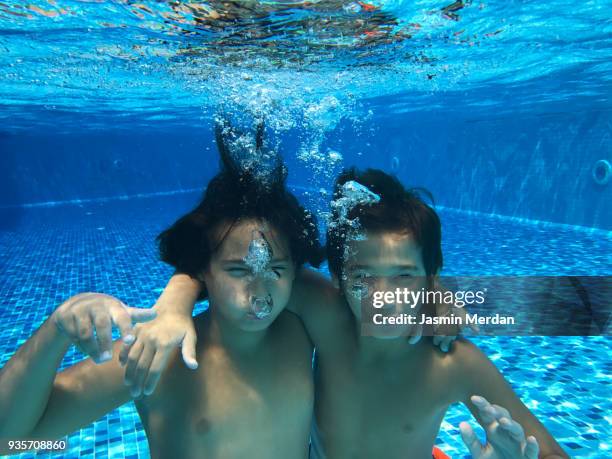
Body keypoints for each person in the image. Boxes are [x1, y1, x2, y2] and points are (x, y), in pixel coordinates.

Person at [130, 168, 569, 458]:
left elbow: (549, 450)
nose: (382, 298)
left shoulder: (453, 363)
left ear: (433, 277)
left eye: (404, 277)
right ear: (338, 279)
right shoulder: (329, 315)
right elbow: (232, 267)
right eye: (363, 276)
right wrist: (175, 303)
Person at [0, 119, 323, 458]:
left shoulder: (303, 330)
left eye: (275, 269)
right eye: (239, 270)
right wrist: (57, 329)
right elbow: (8, 440)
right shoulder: (158, 354)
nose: (259, 292)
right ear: (203, 270)